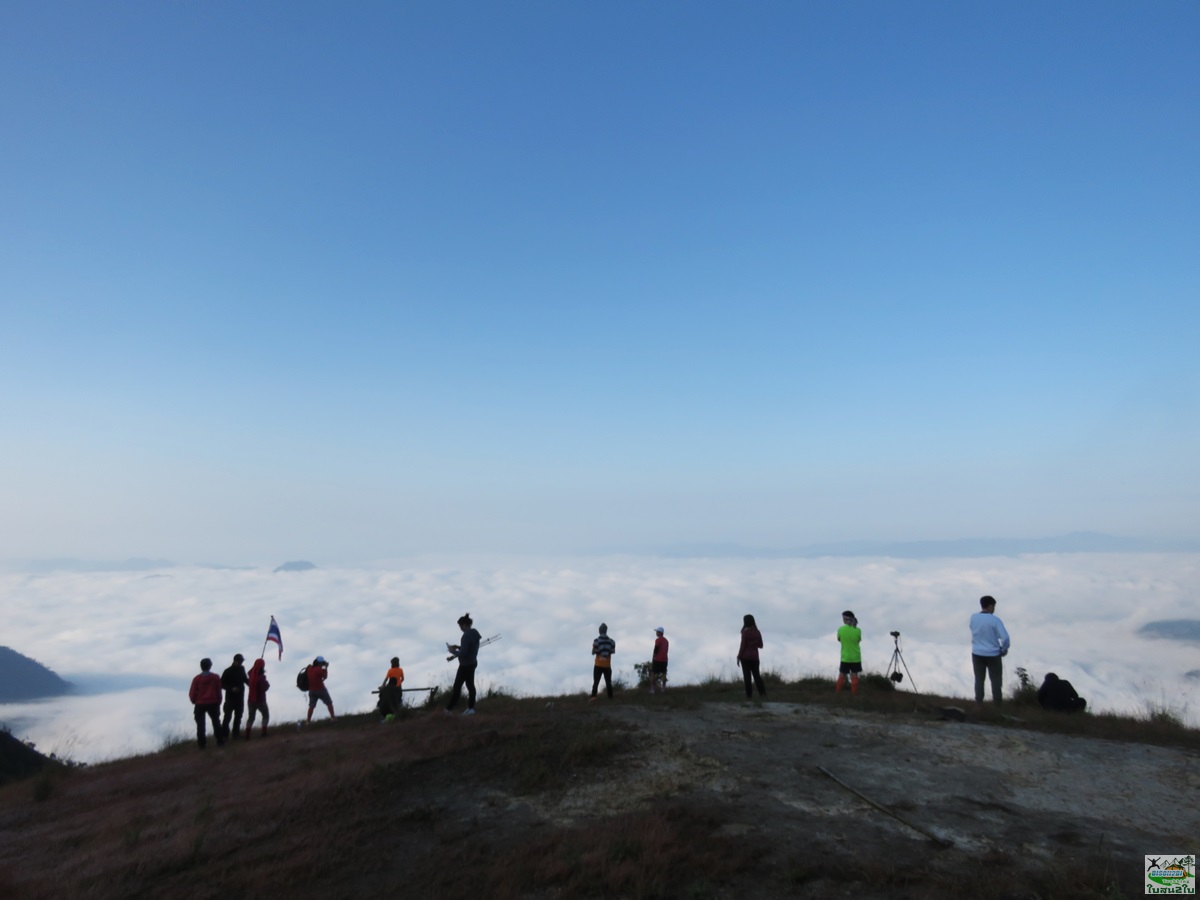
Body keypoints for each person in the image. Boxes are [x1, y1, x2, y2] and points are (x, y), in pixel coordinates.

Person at [970, 595, 1011, 705]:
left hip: (977, 653)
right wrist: (1003, 649)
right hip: (993, 654)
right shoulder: (995, 620)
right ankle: (997, 704)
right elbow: (1005, 638)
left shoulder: (973, 618)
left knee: (979, 680)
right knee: (996, 681)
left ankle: (979, 703)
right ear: (990, 606)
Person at [446, 613, 481, 715]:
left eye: (460, 626)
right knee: (470, 686)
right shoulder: (475, 633)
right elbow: (471, 648)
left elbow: (464, 654)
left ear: (464, 625)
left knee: (457, 687)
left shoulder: (465, 636)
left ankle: (448, 710)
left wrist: (452, 651)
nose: (460, 628)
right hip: (473, 662)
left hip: (465, 665)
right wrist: (458, 646)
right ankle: (471, 708)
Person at [188, 658, 224, 749]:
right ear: (210, 666)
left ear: (201, 667)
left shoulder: (197, 679)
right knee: (216, 722)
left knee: (200, 725)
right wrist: (219, 701)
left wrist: (194, 701)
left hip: (200, 704)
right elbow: (218, 691)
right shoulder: (215, 677)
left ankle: (202, 745)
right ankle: (220, 741)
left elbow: (192, 692)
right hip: (213, 703)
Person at [220, 653, 250, 739]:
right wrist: (231, 689)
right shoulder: (227, 671)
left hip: (240, 697)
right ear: (235, 661)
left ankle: (235, 734)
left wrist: (251, 683)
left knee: (238, 716)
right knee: (227, 716)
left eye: (242, 661)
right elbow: (222, 684)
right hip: (230, 698)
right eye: (240, 661)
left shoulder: (242, 669)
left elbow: (245, 679)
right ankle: (224, 734)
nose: (241, 663)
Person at [737, 614, 766, 698]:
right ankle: (763, 694)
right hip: (755, 657)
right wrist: (753, 644)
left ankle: (749, 696)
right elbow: (761, 645)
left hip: (745, 657)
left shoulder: (745, 632)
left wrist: (739, 656)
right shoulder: (757, 632)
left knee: (747, 678)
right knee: (757, 676)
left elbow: (742, 645)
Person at [836, 611, 862, 695]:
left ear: (845, 619)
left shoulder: (840, 629)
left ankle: (837, 693)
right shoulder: (858, 630)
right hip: (856, 657)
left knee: (842, 675)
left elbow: (839, 640)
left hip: (845, 657)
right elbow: (858, 641)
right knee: (854, 675)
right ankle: (854, 694)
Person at [590, 623, 616, 701]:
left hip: (598, 665)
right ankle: (610, 697)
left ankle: (593, 697)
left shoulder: (596, 641)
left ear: (599, 631)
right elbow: (612, 652)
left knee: (596, 682)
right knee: (608, 682)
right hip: (607, 665)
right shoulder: (612, 641)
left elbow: (593, 652)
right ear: (606, 631)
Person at [306, 656, 335, 723]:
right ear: (320, 663)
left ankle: (308, 721)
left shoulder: (309, 668)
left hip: (311, 690)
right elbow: (325, 676)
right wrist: (325, 667)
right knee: (329, 703)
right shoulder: (319, 669)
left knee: (311, 706)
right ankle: (333, 718)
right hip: (320, 689)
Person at [245, 657, 270, 738]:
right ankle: (264, 732)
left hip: (251, 699)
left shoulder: (251, 675)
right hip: (260, 699)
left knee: (251, 717)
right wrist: (267, 684)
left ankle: (247, 734)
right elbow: (264, 688)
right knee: (265, 715)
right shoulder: (261, 677)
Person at [650, 626, 669, 693]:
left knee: (653, 673)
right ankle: (663, 688)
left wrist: (654, 657)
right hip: (664, 659)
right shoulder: (666, 641)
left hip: (657, 659)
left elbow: (656, 649)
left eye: (657, 632)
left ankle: (652, 689)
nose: (656, 633)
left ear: (660, 632)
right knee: (664, 674)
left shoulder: (658, 640)